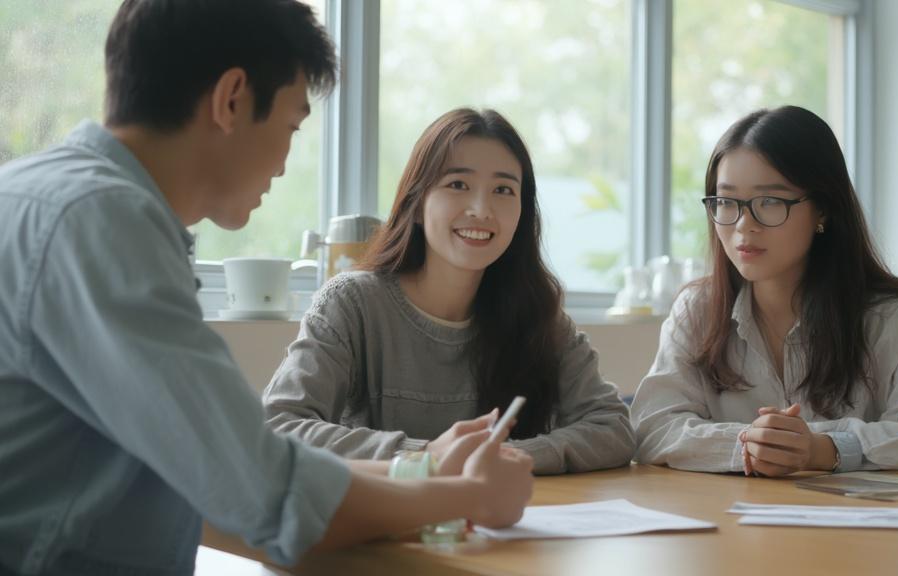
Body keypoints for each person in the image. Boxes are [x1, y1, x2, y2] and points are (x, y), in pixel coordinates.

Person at [0, 2, 532, 574]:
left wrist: (427, 471)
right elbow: (264, 495)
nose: (283, 163)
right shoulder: (105, 225)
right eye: (291, 126)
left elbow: (233, 464)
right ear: (232, 99)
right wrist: (467, 496)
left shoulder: (41, 194)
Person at [262, 108, 635, 475]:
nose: (481, 209)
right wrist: (423, 456)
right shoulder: (351, 304)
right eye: (458, 185)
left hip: (506, 511)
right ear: (417, 204)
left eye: (503, 190)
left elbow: (613, 427)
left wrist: (506, 455)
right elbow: (277, 426)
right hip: (383, 511)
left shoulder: (537, 313)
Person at [630, 106, 898, 476]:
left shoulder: (889, 316)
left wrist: (824, 448)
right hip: (728, 509)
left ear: (822, 210)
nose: (744, 225)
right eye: (726, 202)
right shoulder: (697, 309)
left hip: (846, 513)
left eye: (770, 202)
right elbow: (651, 427)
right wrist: (749, 445)